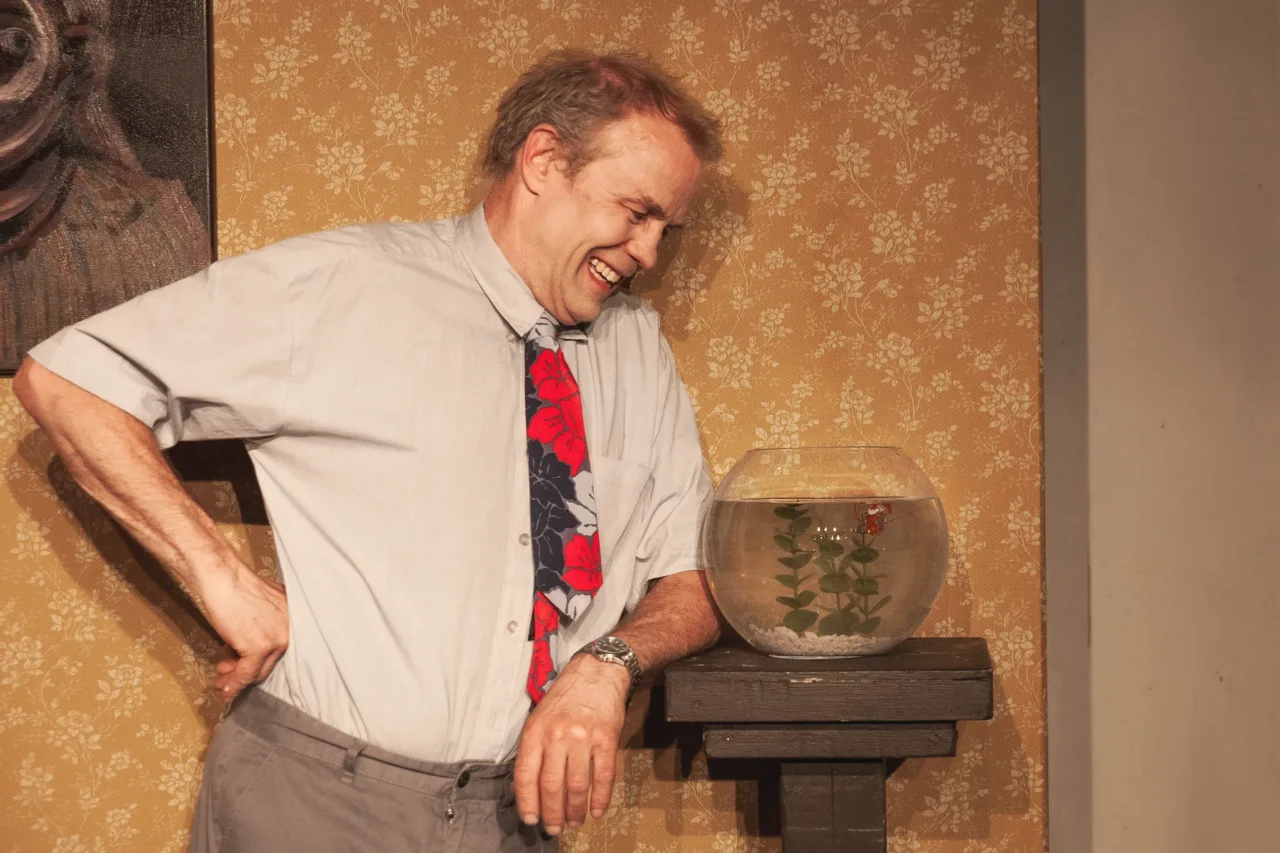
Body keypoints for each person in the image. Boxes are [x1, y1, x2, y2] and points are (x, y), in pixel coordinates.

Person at [14, 50, 724, 852]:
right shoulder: (343, 286)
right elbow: (69, 381)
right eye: (637, 212)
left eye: (666, 228)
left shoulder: (638, 352)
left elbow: (694, 576)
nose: (649, 253)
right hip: (317, 803)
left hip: (515, 818)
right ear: (543, 160)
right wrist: (220, 577)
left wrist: (607, 663)